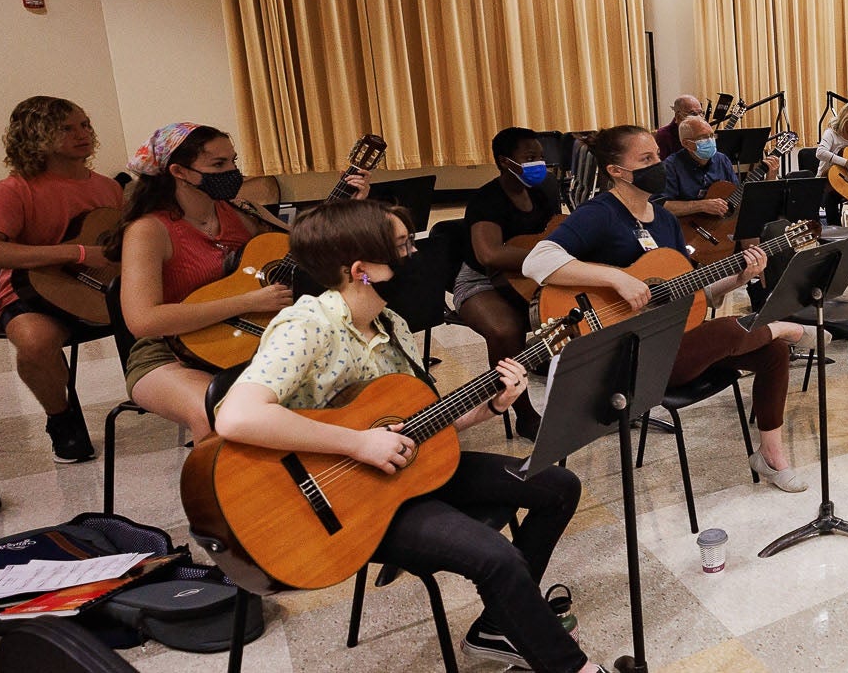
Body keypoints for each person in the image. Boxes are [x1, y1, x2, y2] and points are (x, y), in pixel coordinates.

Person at [212, 199, 611, 673]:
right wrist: (360, 443)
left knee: (558, 486)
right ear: (361, 270)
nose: (415, 258)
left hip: (403, 471)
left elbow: (422, 421)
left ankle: (499, 625)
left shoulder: (391, 324)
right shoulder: (308, 326)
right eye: (402, 248)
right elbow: (235, 417)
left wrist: (492, 404)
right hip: (342, 501)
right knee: (496, 557)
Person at [522, 125, 809, 492]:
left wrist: (739, 277)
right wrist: (617, 280)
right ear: (616, 171)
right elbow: (537, 261)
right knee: (739, 332)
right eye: (646, 159)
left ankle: (770, 454)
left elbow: (693, 291)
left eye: (657, 156)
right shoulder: (600, 213)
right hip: (625, 357)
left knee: (773, 352)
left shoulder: (665, 221)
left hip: (676, 344)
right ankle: (777, 325)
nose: (659, 164)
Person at [0, 97, 126, 462]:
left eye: (84, 124)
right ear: (36, 135)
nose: (82, 134)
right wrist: (74, 253)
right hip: (31, 293)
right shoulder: (12, 190)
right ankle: (61, 419)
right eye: (67, 128)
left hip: (99, 290)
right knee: (35, 343)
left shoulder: (108, 187)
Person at [111, 123, 293, 440]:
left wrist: (350, 205)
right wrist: (248, 302)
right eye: (219, 165)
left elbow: (310, 245)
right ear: (179, 171)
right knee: (220, 413)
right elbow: (143, 321)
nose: (233, 172)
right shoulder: (148, 230)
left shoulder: (244, 211)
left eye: (234, 161)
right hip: (167, 354)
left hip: (246, 339)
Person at [454, 127, 562, 437]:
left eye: (540, 157)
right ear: (504, 162)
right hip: (481, 282)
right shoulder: (486, 199)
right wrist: (544, 258)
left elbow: (554, 230)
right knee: (505, 330)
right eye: (529, 158)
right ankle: (524, 412)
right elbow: (488, 254)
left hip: (529, 276)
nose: (538, 164)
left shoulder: (544, 191)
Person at [653, 94, 705, 158]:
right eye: (693, 113)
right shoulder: (664, 135)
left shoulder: (702, 131)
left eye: (701, 113)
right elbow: (663, 165)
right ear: (678, 116)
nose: (699, 117)